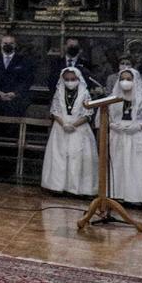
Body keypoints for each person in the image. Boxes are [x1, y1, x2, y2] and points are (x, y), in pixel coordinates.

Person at [106, 66, 142, 205]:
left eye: (129, 79)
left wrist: (139, 126)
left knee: (139, 166)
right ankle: (119, 194)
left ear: (135, 80)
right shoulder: (113, 98)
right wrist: (112, 125)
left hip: (138, 134)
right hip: (119, 135)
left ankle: (141, 197)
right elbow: (106, 116)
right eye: (122, 79)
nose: (125, 82)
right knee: (120, 164)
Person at [42, 66, 97, 197]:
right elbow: (54, 111)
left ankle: (76, 189)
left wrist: (74, 125)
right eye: (67, 79)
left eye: (73, 79)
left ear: (78, 79)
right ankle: (57, 186)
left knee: (77, 158)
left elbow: (88, 113)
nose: (70, 81)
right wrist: (64, 124)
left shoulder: (85, 93)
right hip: (61, 127)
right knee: (59, 157)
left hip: (79, 127)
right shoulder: (59, 92)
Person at [0, 33, 33, 118]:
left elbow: (27, 80)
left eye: (11, 43)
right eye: (5, 43)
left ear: (15, 45)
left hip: (17, 102)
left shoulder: (24, 61)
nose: (8, 45)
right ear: (1, 44)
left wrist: (14, 93)